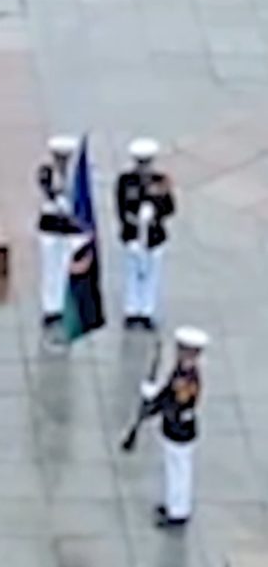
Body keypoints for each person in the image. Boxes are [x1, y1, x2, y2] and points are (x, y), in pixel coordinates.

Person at [140, 326, 206, 528]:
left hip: (180, 429)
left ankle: (179, 511)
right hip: (173, 428)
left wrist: (155, 404)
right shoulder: (180, 371)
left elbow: (176, 402)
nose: (182, 354)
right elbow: (167, 393)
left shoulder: (188, 378)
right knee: (172, 468)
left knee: (180, 471)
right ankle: (172, 503)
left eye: (185, 351)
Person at [117, 137, 175, 331]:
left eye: (147, 163)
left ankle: (146, 311)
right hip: (133, 236)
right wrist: (133, 221)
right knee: (132, 273)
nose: (144, 168)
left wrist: (155, 212)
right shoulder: (126, 181)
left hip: (154, 237)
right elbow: (121, 208)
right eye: (141, 164)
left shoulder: (161, 182)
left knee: (152, 275)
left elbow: (170, 209)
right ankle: (132, 310)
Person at [36, 133, 79, 328]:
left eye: (65, 157)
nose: (62, 161)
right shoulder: (47, 172)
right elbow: (48, 191)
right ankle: (49, 308)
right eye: (59, 157)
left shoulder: (76, 176)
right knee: (50, 268)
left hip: (67, 229)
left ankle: (60, 307)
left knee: (63, 267)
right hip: (50, 227)